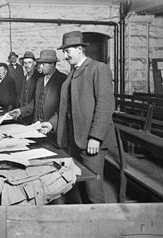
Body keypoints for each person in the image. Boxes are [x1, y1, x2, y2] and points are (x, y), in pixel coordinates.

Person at [56, 31, 116, 203]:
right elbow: (67, 108)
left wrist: (95, 137)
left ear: (80, 49)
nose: (65, 56)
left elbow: (105, 105)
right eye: (64, 52)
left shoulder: (98, 68)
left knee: (93, 191)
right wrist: (51, 124)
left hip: (91, 141)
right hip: (76, 139)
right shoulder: (73, 72)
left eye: (68, 52)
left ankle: (102, 226)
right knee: (81, 185)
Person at [9, 51, 41, 124]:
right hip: (22, 117)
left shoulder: (39, 78)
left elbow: (36, 102)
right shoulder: (24, 78)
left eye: (29, 62)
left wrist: (21, 111)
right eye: (25, 63)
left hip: (33, 118)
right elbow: (20, 97)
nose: (27, 65)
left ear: (34, 63)